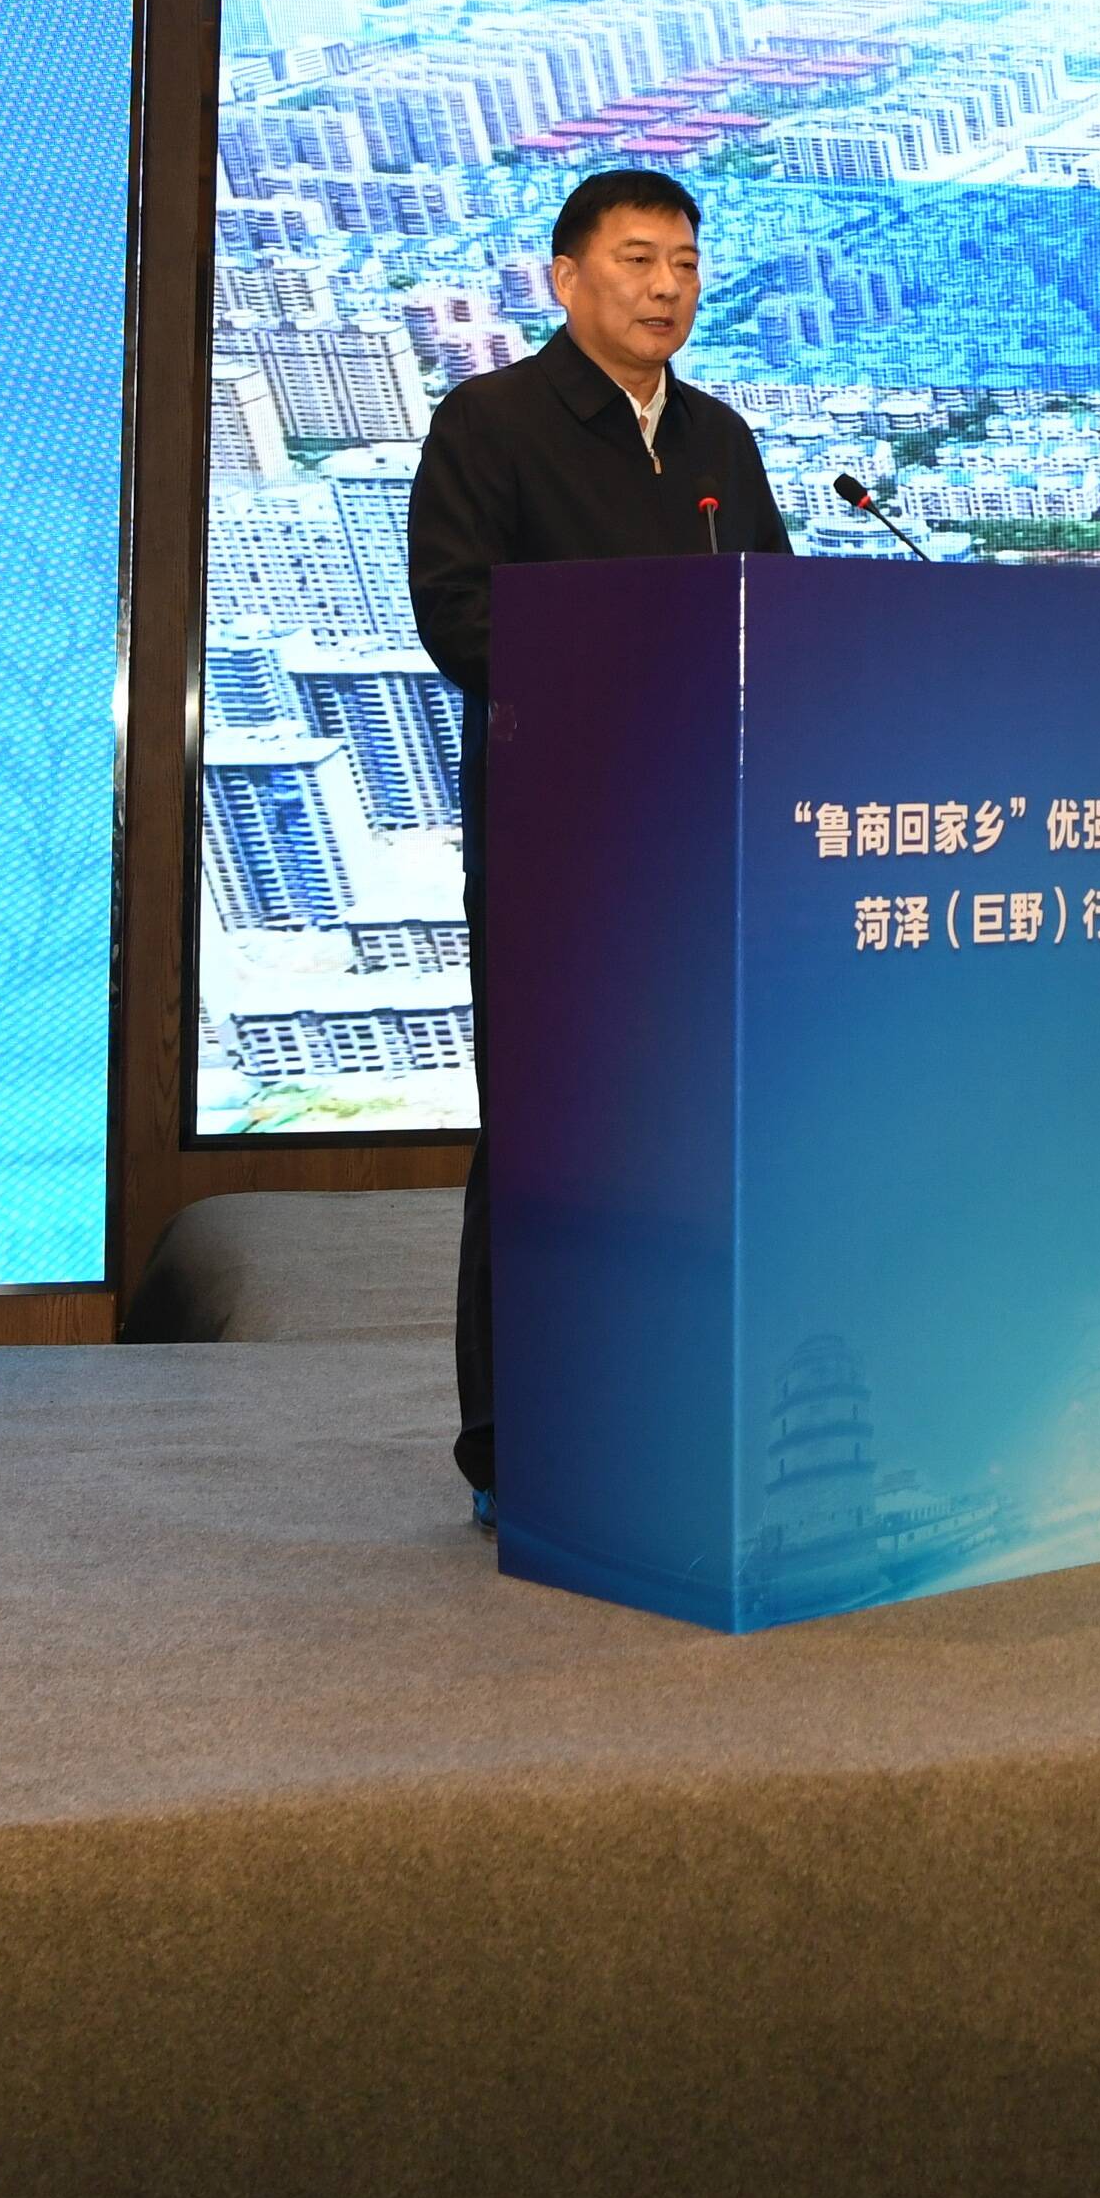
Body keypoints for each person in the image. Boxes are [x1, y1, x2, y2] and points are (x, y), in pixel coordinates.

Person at [401, 166, 789, 1512]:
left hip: (706, 846)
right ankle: (516, 1448)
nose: (666, 287)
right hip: (561, 846)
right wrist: (634, 676)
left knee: (693, 1129)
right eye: (636, 260)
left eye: (684, 262)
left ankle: (679, 1410)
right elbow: (457, 616)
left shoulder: (719, 439)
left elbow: (783, 616)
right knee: (554, 1137)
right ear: (564, 278)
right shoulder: (492, 423)